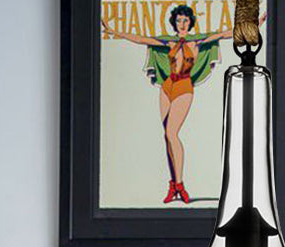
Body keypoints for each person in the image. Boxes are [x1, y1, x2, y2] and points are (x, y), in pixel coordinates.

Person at [101, 5, 264, 205]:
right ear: (174, 23)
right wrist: (114, 32)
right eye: (179, 20)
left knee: (172, 134)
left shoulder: (197, 42)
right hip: (167, 87)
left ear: (190, 22)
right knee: (166, 137)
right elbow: (142, 40)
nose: (182, 24)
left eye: (185, 20)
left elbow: (224, 34)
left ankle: (180, 185)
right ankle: (173, 185)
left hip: (184, 88)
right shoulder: (169, 43)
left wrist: (252, 27)